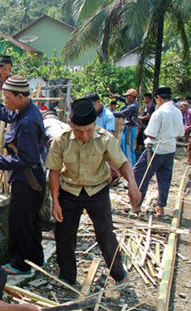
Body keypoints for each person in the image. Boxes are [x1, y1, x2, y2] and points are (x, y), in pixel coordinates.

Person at [46, 97, 142, 286]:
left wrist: (132, 184)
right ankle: (67, 276)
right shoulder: (61, 140)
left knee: (105, 233)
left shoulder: (105, 139)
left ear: (95, 124)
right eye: (78, 131)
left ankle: (119, 274)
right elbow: (55, 171)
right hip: (69, 192)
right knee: (64, 234)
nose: (84, 136)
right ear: (70, 124)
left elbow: (122, 163)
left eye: (89, 130)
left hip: (97, 191)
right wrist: (55, 201)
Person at [0, 76, 45, 275]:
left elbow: (28, 158)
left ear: (20, 97)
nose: (5, 102)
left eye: (7, 98)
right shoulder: (25, 110)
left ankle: (20, 264)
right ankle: (36, 259)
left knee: (20, 222)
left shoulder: (27, 122)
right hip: (32, 178)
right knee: (31, 221)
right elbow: (7, 114)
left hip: (27, 180)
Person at [133, 86, 184, 217]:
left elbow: (151, 133)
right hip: (170, 148)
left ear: (159, 98)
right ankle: (160, 207)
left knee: (140, 174)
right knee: (164, 178)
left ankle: (137, 204)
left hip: (156, 149)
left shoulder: (159, 112)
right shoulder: (177, 112)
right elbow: (180, 132)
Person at [111, 88, 140, 166]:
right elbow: (123, 100)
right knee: (123, 148)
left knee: (128, 150)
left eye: (128, 96)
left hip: (130, 129)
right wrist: (115, 97)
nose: (127, 98)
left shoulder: (133, 106)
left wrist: (110, 113)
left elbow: (122, 113)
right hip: (127, 128)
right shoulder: (132, 103)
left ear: (132, 97)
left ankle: (132, 168)